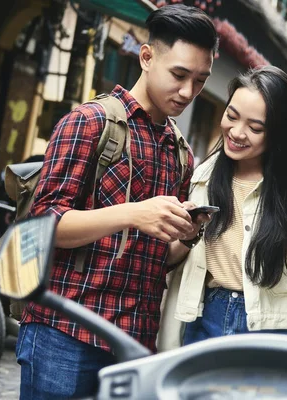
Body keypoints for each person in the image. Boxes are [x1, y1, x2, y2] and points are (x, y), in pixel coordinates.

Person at [15, 5, 218, 399]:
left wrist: (187, 235)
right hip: (66, 333)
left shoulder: (181, 153)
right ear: (146, 57)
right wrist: (134, 214)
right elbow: (39, 227)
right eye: (179, 75)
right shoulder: (90, 122)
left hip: (135, 344)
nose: (188, 92)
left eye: (200, 80)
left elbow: (161, 257)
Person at [158, 66, 287, 351]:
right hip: (205, 320)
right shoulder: (202, 177)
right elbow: (179, 272)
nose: (237, 132)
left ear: (278, 133)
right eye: (231, 116)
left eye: (255, 128)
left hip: (273, 333)